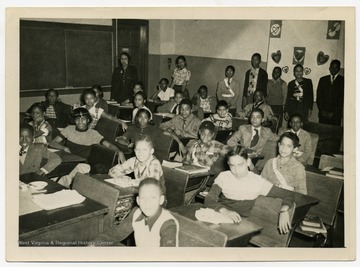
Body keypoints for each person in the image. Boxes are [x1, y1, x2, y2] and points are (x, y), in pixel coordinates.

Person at [204, 150, 294, 234]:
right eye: (232, 165)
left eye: (240, 165)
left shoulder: (258, 182)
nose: (236, 170)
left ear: (248, 162)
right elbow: (209, 199)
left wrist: (284, 210)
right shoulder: (224, 176)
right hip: (219, 214)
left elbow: (288, 194)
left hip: (239, 223)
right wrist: (225, 211)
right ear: (228, 164)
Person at [94, 178, 179, 247]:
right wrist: (95, 243)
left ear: (161, 200)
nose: (147, 203)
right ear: (138, 201)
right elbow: (116, 234)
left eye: (153, 198)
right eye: (143, 198)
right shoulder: (136, 213)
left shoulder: (168, 223)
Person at [50, 108, 125, 162]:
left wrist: (120, 151)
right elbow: (53, 143)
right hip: (68, 159)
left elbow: (109, 145)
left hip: (82, 162)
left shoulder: (93, 133)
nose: (80, 122)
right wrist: (64, 148)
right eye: (77, 119)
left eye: (83, 119)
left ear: (88, 120)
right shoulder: (69, 129)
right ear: (74, 120)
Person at [316, 59, 344, 126]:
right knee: (323, 134)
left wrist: (333, 113)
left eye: (336, 67)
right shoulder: (322, 80)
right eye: (332, 67)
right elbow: (319, 97)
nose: (333, 69)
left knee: (335, 135)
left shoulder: (343, 80)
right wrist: (322, 111)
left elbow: (341, 99)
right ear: (329, 68)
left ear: (339, 69)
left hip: (336, 116)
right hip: (323, 115)